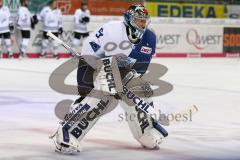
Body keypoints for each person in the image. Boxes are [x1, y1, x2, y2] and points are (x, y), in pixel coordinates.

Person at [51, 4, 167, 154]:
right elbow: (88, 54)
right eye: (138, 21)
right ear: (129, 20)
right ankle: (68, 131)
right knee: (102, 97)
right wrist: (95, 81)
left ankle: (147, 130)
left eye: (144, 21)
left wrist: (125, 81)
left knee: (141, 89)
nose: (142, 24)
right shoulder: (111, 30)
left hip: (123, 73)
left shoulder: (149, 38)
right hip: (96, 68)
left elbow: (140, 69)